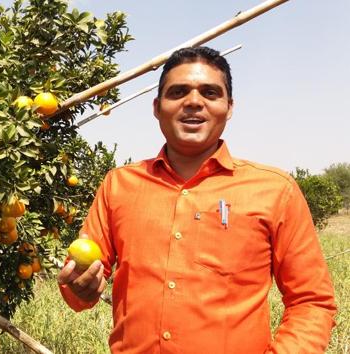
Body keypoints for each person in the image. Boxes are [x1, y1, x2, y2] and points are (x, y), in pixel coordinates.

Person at [57, 46, 337, 353]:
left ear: (229, 107)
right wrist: (79, 289)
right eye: (178, 92)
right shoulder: (119, 184)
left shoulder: (275, 190)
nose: (193, 102)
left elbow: (312, 302)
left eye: (210, 93)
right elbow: (80, 282)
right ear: (157, 107)